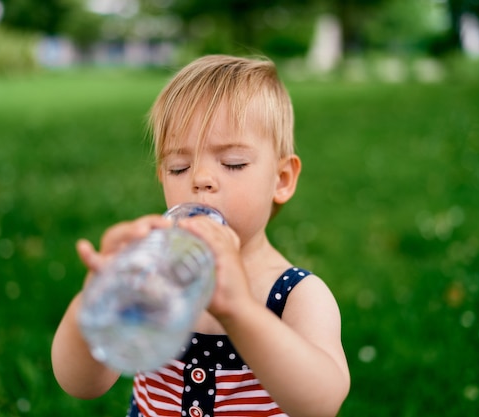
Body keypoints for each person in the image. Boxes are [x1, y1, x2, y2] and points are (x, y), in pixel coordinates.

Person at [51, 54, 350, 417]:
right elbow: (81, 384)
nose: (200, 178)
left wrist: (240, 311)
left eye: (233, 163)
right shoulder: (155, 279)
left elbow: (321, 403)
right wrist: (99, 295)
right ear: (162, 177)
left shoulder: (296, 296)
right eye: (179, 166)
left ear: (281, 179)